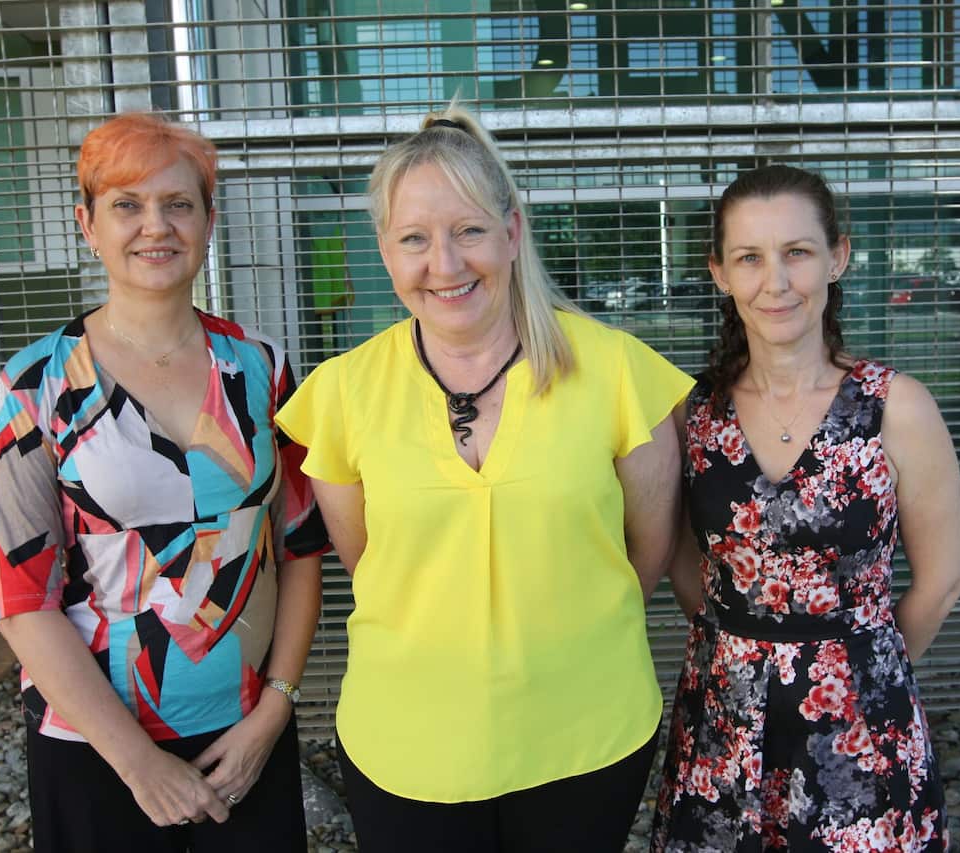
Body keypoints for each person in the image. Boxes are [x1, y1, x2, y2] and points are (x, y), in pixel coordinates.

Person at [275, 105, 692, 852]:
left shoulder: (617, 372)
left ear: (513, 232)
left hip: (585, 734)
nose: (445, 263)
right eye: (414, 239)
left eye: (468, 229)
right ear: (386, 250)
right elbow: (374, 562)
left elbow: (647, 551)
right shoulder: (342, 394)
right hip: (406, 744)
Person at [0, 112, 329, 852]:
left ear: (208, 219)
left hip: (246, 738)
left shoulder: (260, 367)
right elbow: (22, 603)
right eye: (127, 205)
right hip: (96, 749)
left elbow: (299, 549)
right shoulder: (34, 385)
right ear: (88, 225)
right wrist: (140, 764)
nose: (156, 226)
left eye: (178, 203)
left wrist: (274, 710)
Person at [650, 165, 960, 852]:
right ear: (719, 272)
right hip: (722, 728)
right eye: (750, 258)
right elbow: (680, 561)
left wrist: (859, 665)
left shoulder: (897, 408)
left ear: (838, 257)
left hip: (861, 731)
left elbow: (944, 579)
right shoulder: (692, 415)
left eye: (797, 252)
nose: (777, 281)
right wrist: (745, 648)